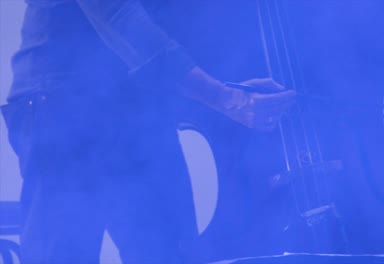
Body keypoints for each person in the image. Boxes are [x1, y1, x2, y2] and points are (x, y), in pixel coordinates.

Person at [1, 0, 295, 263]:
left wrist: (230, 85)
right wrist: (225, 97)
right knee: (64, 255)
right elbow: (119, 16)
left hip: (138, 110)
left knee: (168, 252)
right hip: (66, 106)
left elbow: (161, 20)